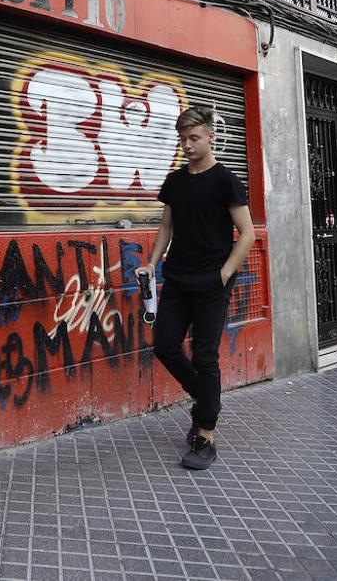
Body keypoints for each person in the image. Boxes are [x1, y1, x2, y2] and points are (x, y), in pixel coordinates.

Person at [139, 105, 254, 471]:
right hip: (177, 278)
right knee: (165, 345)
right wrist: (152, 263)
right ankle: (206, 402)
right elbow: (166, 229)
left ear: (210, 137)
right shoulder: (175, 182)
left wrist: (223, 275)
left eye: (193, 138)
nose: (187, 145)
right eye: (182, 139)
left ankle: (206, 434)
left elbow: (247, 234)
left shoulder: (225, 180)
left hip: (211, 281)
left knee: (205, 357)